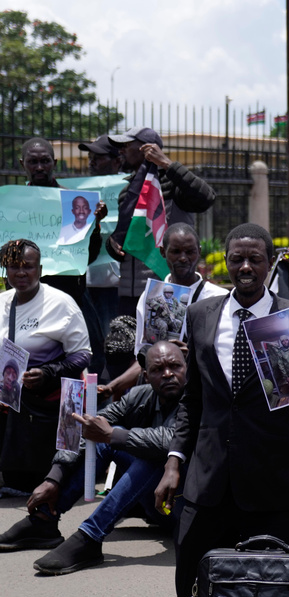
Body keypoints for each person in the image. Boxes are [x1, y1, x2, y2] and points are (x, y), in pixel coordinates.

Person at [153, 223, 289, 597]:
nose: (246, 267)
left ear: (270, 263)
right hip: (209, 478)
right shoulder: (201, 315)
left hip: (270, 480)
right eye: (237, 258)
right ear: (226, 263)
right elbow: (193, 399)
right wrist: (173, 461)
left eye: (255, 258)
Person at [0, 342, 187, 575]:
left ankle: (90, 536)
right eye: (159, 369)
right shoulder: (140, 396)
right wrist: (53, 478)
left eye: (175, 366)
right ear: (146, 376)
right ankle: (44, 520)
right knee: (102, 434)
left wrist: (113, 435)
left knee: (150, 454)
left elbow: (170, 440)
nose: (168, 374)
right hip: (152, 503)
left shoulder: (198, 400)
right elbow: (87, 428)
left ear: (186, 367)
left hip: (179, 508)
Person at [0, 240, 91, 493]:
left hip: (48, 402)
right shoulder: (2, 303)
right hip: (9, 400)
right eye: (13, 267)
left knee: (36, 481)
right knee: (15, 480)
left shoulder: (61, 304)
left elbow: (83, 355)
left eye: (27, 267)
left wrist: (48, 372)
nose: (20, 273)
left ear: (39, 269)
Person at [100, 223, 226, 402]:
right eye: (176, 251)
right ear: (162, 252)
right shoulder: (150, 296)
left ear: (198, 252)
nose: (183, 258)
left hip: (205, 394)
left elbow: (228, 354)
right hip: (162, 397)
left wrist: (194, 356)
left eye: (189, 252)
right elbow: (144, 358)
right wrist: (113, 386)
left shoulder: (219, 298)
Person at [107, 127, 217, 316]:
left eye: (126, 145)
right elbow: (125, 239)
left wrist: (166, 163)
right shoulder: (127, 192)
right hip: (128, 293)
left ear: (146, 148)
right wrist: (112, 244)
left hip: (166, 292)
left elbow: (207, 197)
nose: (121, 151)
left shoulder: (173, 184)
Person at [20, 138, 105, 373]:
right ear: (22, 164)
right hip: (26, 297)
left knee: (90, 357)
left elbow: (87, 258)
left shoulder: (75, 204)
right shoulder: (11, 206)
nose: (39, 167)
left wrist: (94, 226)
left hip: (71, 294)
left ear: (54, 162)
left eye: (45, 161)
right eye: (33, 161)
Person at [79, 134, 124, 363]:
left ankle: (111, 393)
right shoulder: (77, 192)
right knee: (90, 349)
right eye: (90, 156)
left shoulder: (130, 191)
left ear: (117, 161)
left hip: (113, 284)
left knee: (112, 348)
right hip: (84, 282)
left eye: (98, 157)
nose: (91, 162)